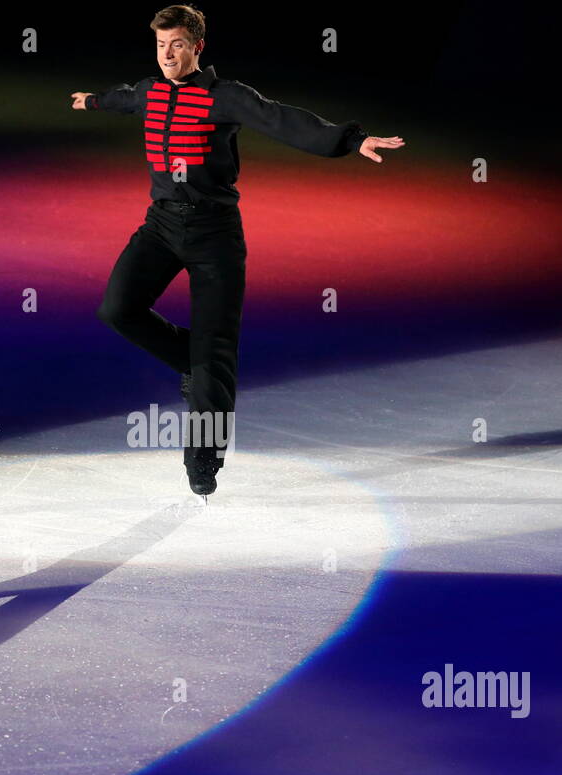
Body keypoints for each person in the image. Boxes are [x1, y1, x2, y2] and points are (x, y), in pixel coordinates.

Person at [72, 4, 404, 498]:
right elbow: (123, 99)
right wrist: (89, 101)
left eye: (177, 44)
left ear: (197, 47)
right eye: (161, 45)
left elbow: (284, 120)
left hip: (214, 235)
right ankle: (194, 362)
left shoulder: (225, 97)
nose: (167, 54)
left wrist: (351, 140)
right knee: (117, 309)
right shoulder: (150, 90)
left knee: (216, 353)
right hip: (161, 226)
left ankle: (203, 466)